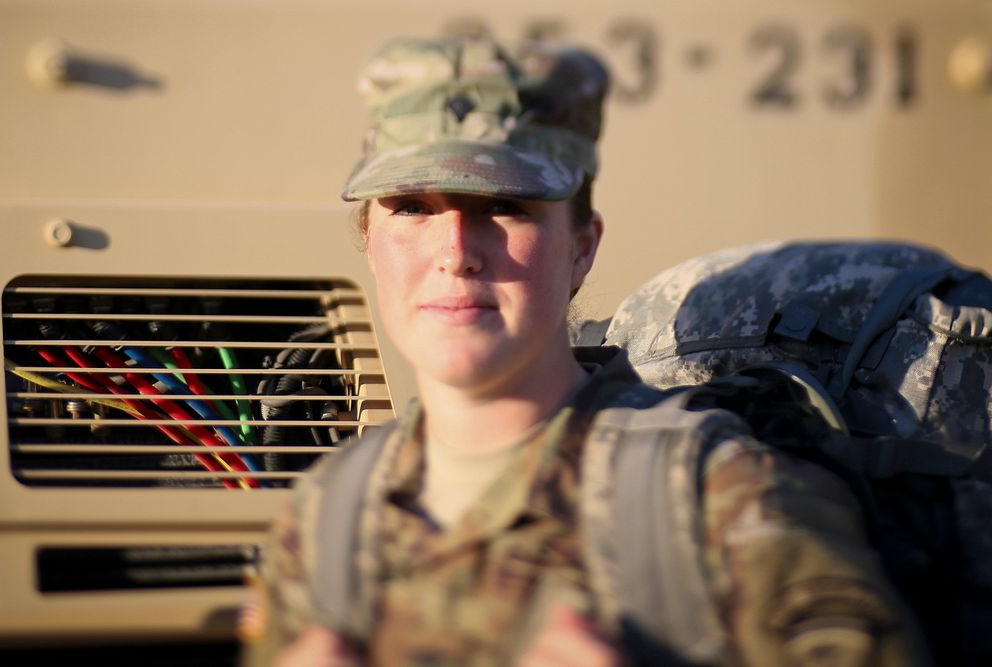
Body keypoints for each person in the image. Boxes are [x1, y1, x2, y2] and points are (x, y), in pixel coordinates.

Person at [243, 35, 929, 666]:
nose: (455, 253)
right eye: (412, 208)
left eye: (506, 206)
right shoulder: (326, 521)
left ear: (581, 246)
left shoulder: (716, 501)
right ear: (368, 237)